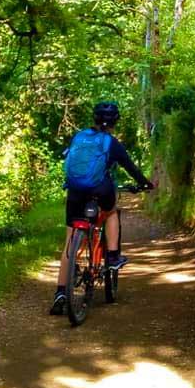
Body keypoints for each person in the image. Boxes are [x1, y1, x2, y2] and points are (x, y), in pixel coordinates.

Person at [50, 101, 153, 315]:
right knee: (111, 211)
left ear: (94, 119)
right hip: (100, 189)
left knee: (69, 243)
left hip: (75, 192)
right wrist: (145, 184)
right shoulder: (111, 143)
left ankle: (60, 293)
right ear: (115, 122)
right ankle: (113, 256)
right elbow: (130, 168)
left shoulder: (79, 137)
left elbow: (67, 157)